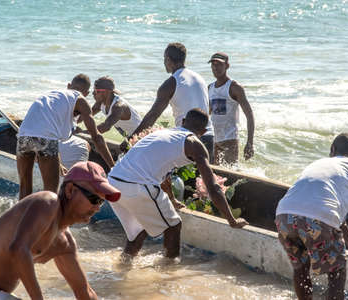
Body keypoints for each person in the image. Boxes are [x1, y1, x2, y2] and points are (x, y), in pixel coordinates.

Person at [0, 161, 121, 300]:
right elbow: (18, 250)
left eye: (101, 201)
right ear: (70, 190)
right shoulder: (48, 202)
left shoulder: (64, 243)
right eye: (94, 199)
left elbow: (84, 292)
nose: (97, 208)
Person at [108, 108, 248, 259]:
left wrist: (173, 200)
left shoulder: (163, 134)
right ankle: (169, 269)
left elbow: (162, 173)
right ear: (203, 131)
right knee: (174, 226)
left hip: (113, 182)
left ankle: (123, 265)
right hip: (138, 185)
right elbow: (213, 187)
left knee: (137, 232)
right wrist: (231, 220)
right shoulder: (195, 144)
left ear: (183, 122)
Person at [275, 133, 348, 300]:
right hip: (319, 220)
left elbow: (327, 208)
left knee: (301, 268)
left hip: (284, 216)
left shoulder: (319, 164)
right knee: (336, 273)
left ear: (332, 150)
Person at [16, 74, 114, 199]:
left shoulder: (52, 95)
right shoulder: (81, 100)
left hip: (23, 137)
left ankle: (22, 217)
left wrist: (57, 163)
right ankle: (49, 218)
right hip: (45, 140)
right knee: (51, 194)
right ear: (87, 93)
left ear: (69, 86)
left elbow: (45, 129)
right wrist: (113, 167)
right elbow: (97, 138)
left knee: (24, 191)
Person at [127, 43, 215, 162]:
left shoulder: (171, 83)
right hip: (208, 136)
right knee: (204, 179)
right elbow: (209, 108)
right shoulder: (199, 78)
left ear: (168, 59)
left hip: (188, 140)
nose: (164, 62)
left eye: (164, 59)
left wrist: (132, 138)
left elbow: (153, 115)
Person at [208, 52, 254, 165]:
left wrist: (250, 143)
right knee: (214, 176)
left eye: (219, 64)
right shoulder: (210, 87)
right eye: (213, 64)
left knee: (229, 175)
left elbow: (249, 115)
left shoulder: (235, 88)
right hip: (214, 140)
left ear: (227, 66)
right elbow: (208, 114)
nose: (215, 67)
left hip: (229, 139)